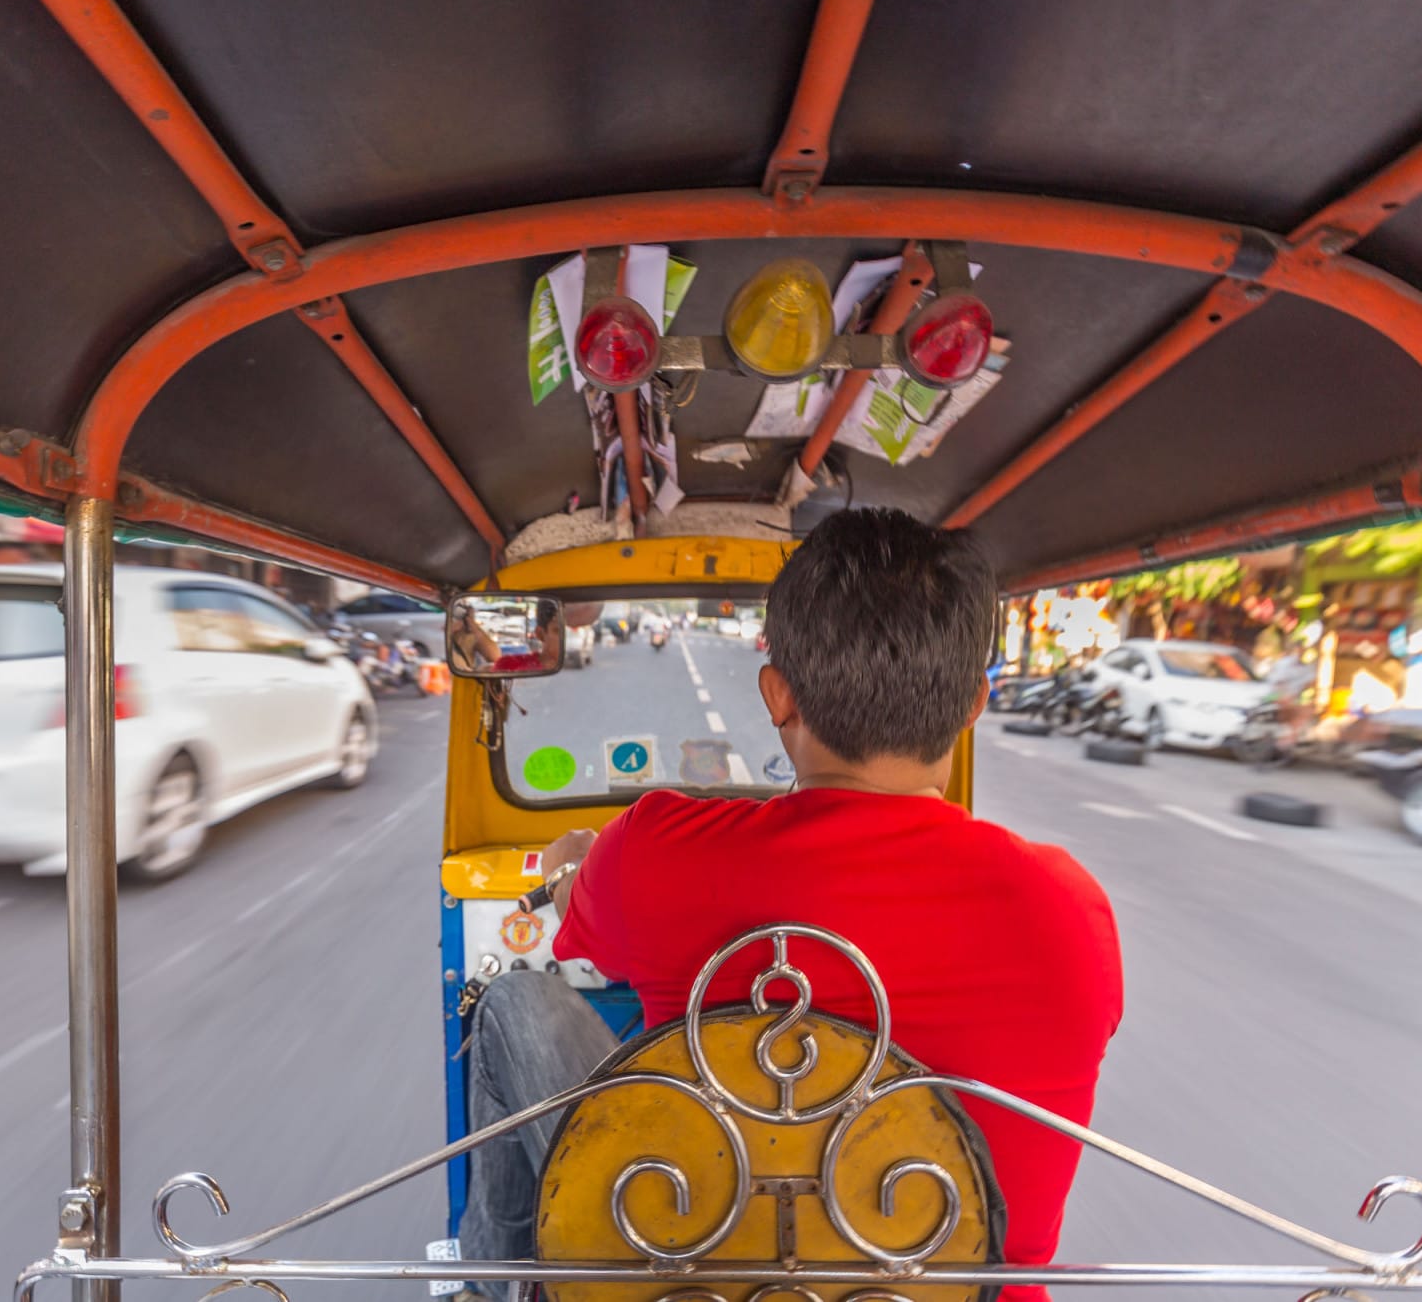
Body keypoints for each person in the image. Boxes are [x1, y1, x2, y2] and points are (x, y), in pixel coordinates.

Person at [458, 508, 1122, 1302]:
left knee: (515, 1000)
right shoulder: (1068, 907)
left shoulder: (657, 850)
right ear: (973, 703)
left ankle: (492, 1287)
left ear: (777, 696)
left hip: (694, 1280)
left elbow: (579, 919)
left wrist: (573, 861)